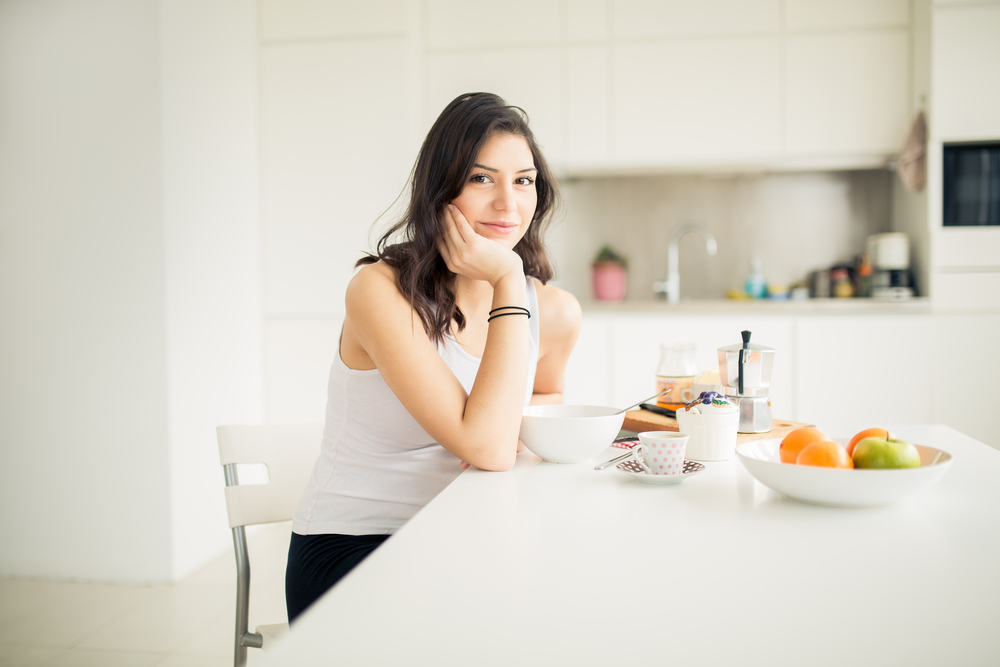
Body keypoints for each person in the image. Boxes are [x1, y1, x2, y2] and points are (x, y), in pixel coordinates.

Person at [284, 92, 581, 622]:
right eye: (481, 178)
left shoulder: (555, 312)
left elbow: (543, 398)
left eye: (523, 180)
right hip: (356, 545)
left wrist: (511, 429)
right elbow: (487, 449)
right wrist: (507, 276)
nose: (509, 204)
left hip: (468, 529)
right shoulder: (378, 292)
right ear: (440, 190)